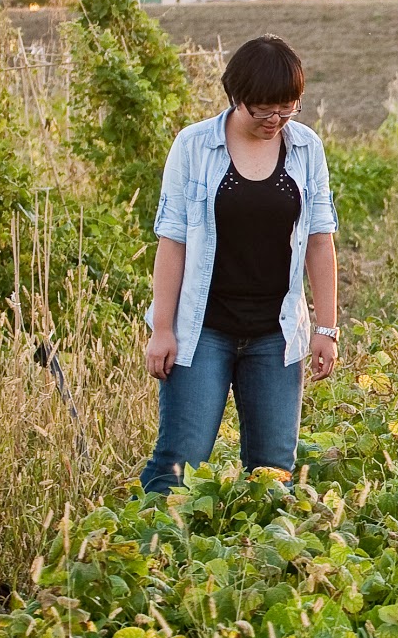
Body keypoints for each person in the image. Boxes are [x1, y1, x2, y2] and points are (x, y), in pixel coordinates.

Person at [141, 35, 339, 493]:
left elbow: (319, 241)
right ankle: (156, 555)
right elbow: (172, 242)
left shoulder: (306, 148)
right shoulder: (193, 146)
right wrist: (162, 328)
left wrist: (325, 330)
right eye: (264, 110)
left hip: (276, 333)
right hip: (203, 329)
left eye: (288, 109)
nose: (275, 121)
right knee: (181, 461)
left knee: (273, 472)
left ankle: (255, 563)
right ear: (236, 97)